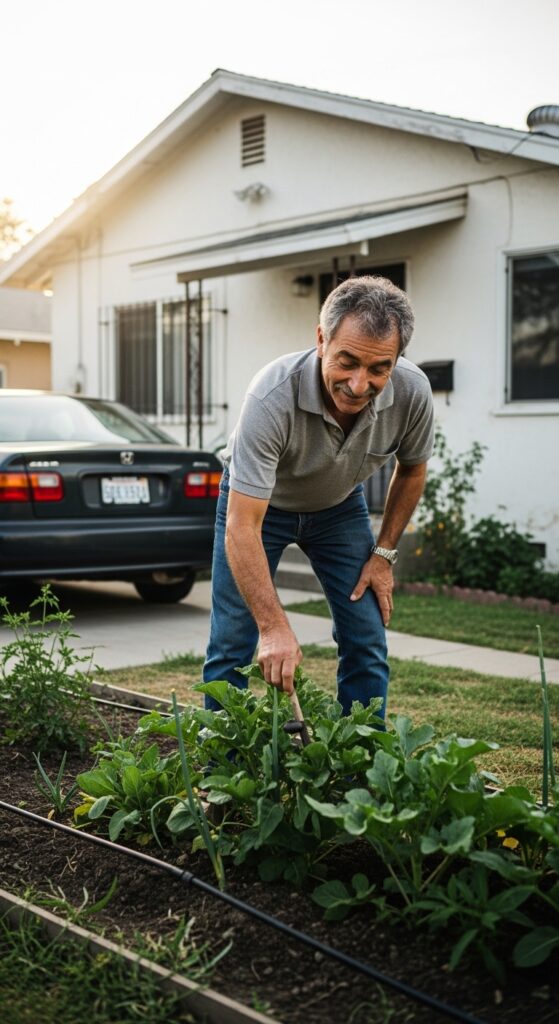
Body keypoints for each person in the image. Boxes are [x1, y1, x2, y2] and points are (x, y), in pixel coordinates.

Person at [203, 275, 434, 718]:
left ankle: (361, 771)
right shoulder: (271, 395)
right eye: (346, 361)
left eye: (379, 368)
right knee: (233, 643)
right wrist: (272, 626)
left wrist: (383, 553)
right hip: (258, 511)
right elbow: (241, 524)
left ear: (397, 359)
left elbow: (413, 468)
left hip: (338, 508)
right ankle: (222, 776)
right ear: (321, 340)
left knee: (366, 638)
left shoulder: (413, 391)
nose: (359, 383)